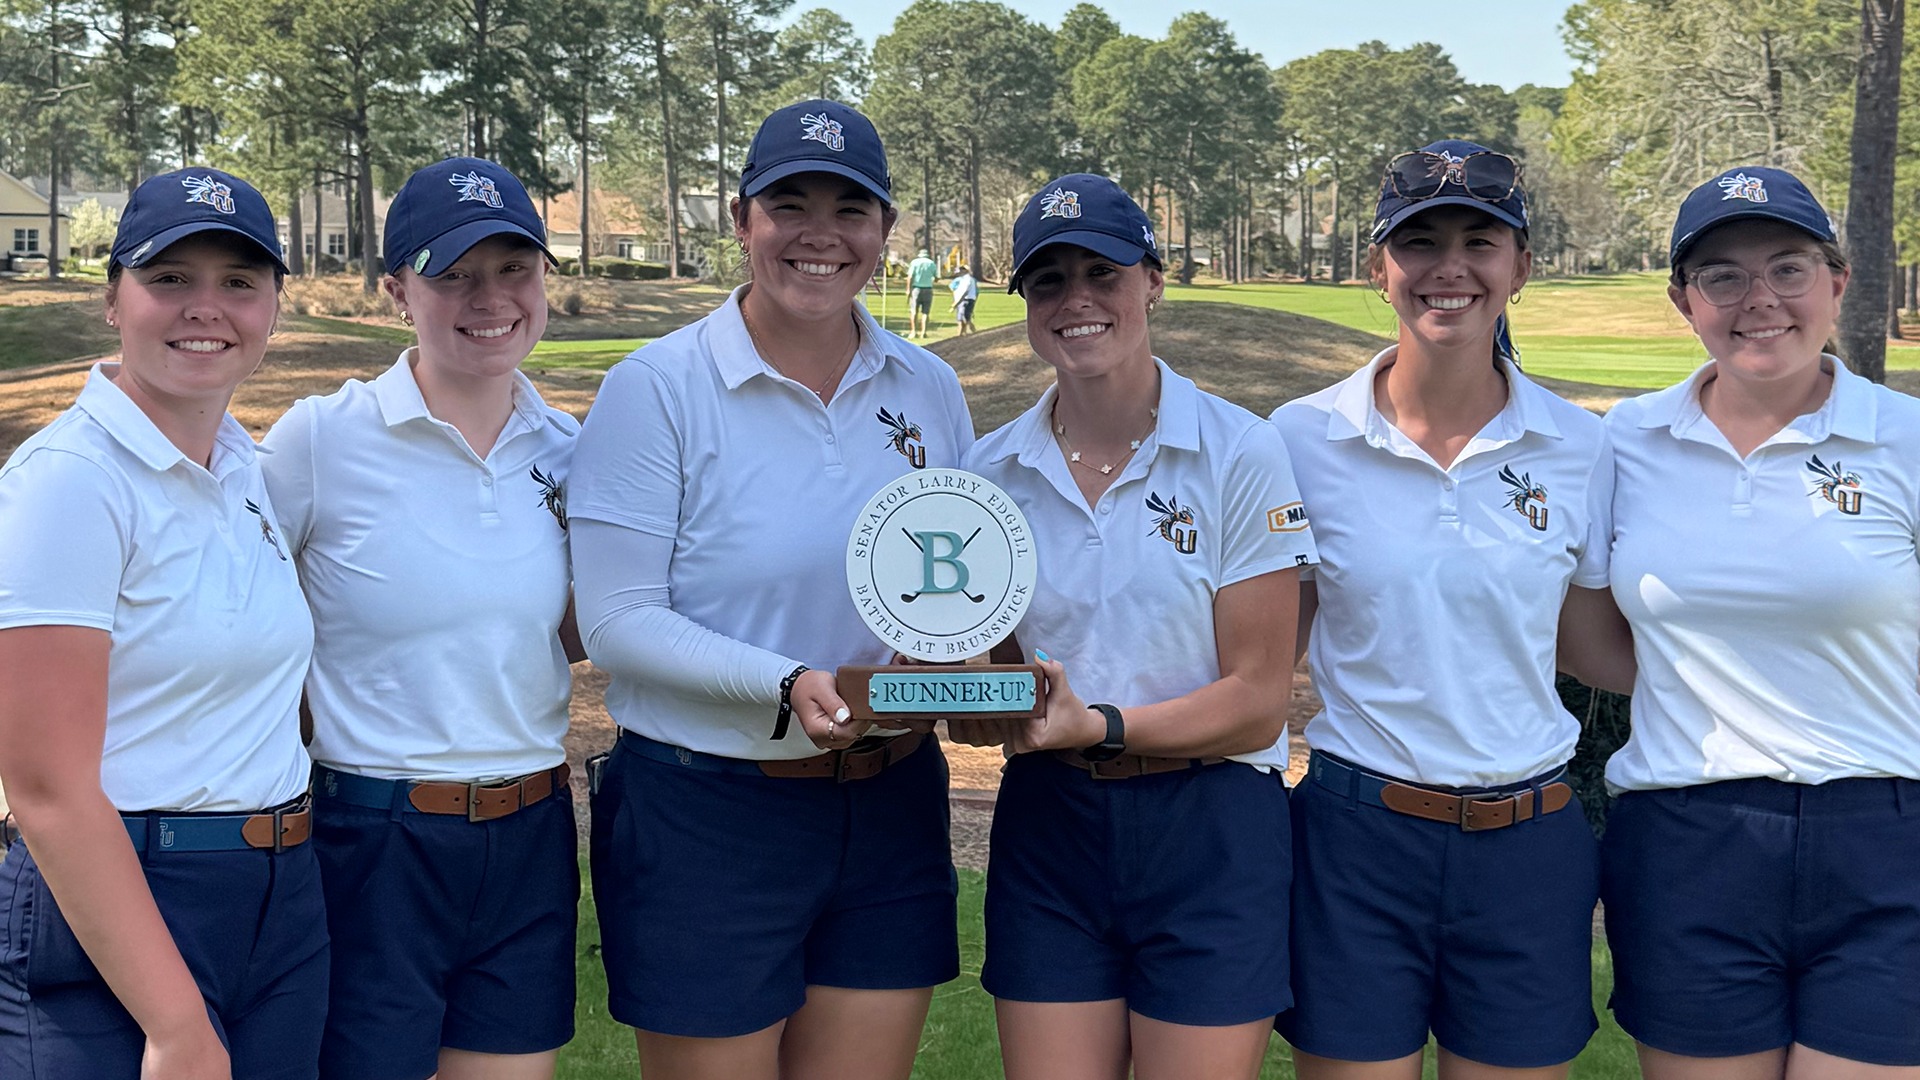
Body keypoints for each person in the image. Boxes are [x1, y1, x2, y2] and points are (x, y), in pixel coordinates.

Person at [567, 98, 973, 1080]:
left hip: (889, 803)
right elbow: (617, 622)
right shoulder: (655, 387)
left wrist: (971, 664)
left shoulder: (929, 388)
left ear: (885, 233)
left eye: (852, 208)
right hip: (709, 812)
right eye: (790, 203)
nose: (820, 234)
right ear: (742, 220)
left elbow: (955, 590)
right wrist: (787, 679)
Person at [1269, 140, 1616, 1079]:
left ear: (1521, 267)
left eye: (1480, 240)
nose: (1448, 267)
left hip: (1528, 844)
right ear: (1379, 268)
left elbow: (1592, 649)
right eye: (1418, 241)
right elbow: (1262, 649)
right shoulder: (1300, 439)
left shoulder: (1582, 446)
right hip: (1355, 837)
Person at [958, 173, 1314, 1080]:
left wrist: (1103, 725)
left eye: (1103, 273)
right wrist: (946, 678)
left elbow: (1259, 701)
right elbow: (996, 676)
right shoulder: (988, 470)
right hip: (1052, 821)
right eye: (1048, 280)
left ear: (1152, 280)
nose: (1076, 300)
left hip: (1212, 824)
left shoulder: (1239, 450)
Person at [1583, 165, 1920, 1077]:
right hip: (1690, 837)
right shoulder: (1624, 442)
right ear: (1683, 300)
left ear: (1837, 282)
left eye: (1788, 268)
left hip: (1886, 835)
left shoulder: (1908, 439)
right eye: (1722, 275)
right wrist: (1703, 677)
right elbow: (1583, 630)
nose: (1757, 299)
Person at [259, 157, 582, 1080]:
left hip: (530, 828)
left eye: (513, 268)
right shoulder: (321, 438)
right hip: (372, 836)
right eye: (453, 274)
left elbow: (573, 627)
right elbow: (243, 616)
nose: (490, 298)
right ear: (398, 289)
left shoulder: (572, 450)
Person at [0, 168, 327, 1078]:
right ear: (113, 299)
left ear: (272, 307)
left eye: (238, 282)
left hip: (281, 901)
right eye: (170, 278)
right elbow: (47, 787)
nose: (206, 308)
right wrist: (176, 1025)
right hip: (121, 902)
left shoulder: (246, 468)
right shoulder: (69, 483)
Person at [908, 245, 938, 337]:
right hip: (928, 289)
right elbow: (936, 277)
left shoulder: (914, 263)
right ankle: (923, 332)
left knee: (914, 311)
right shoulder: (931, 263)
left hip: (916, 288)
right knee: (925, 312)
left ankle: (913, 332)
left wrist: (908, 290)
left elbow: (910, 277)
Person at [949, 262, 979, 334]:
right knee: (966, 319)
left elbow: (965, 292)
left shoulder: (966, 280)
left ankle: (960, 336)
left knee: (962, 319)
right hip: (968, 300)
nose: (961, 271)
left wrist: (956, 303)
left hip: (964, 300)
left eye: (962, 269)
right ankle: (964, 334)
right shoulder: (968, 279)